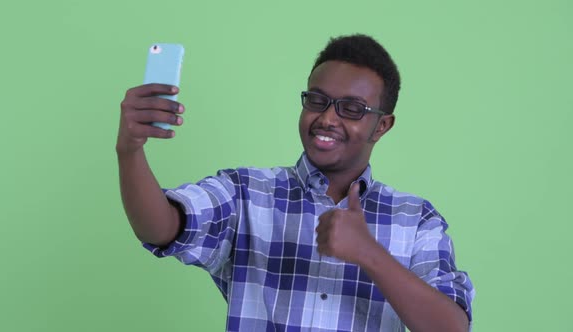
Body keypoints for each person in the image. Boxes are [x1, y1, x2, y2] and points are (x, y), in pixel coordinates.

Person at [117, 34, 475, 332]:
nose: (327, 118)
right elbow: (161, 228)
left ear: (381, 126)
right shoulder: (246, 192)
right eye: (317, 100)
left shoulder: (417, 220)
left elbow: (451, 327)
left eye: (351, 108)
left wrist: (369, 253)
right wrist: (130, 150)